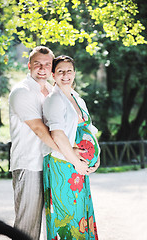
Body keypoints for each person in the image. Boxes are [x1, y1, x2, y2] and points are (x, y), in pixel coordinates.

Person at [9, 46, 92, 240]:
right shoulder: (22, 92)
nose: (42, 68)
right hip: (29, 164)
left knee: (56, 221)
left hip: (52, 163)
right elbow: (40, 130)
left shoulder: (51, 91)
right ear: (29, 65)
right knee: (27, 225)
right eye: (37, 64)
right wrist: (70, 154)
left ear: (51, 69)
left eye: (47, 64)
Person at [43, 55, 100, 239]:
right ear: (53, 75)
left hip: (79, 167)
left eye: (69, 71)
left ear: (74, 73)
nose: (65, 75)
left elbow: (89, 129)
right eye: (60, 71)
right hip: (64, 166)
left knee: (81, 215)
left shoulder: (77, 98)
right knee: (67, 218)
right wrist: (77, 162)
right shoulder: (54, 100)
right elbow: (58, 134)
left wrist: (97, 157)